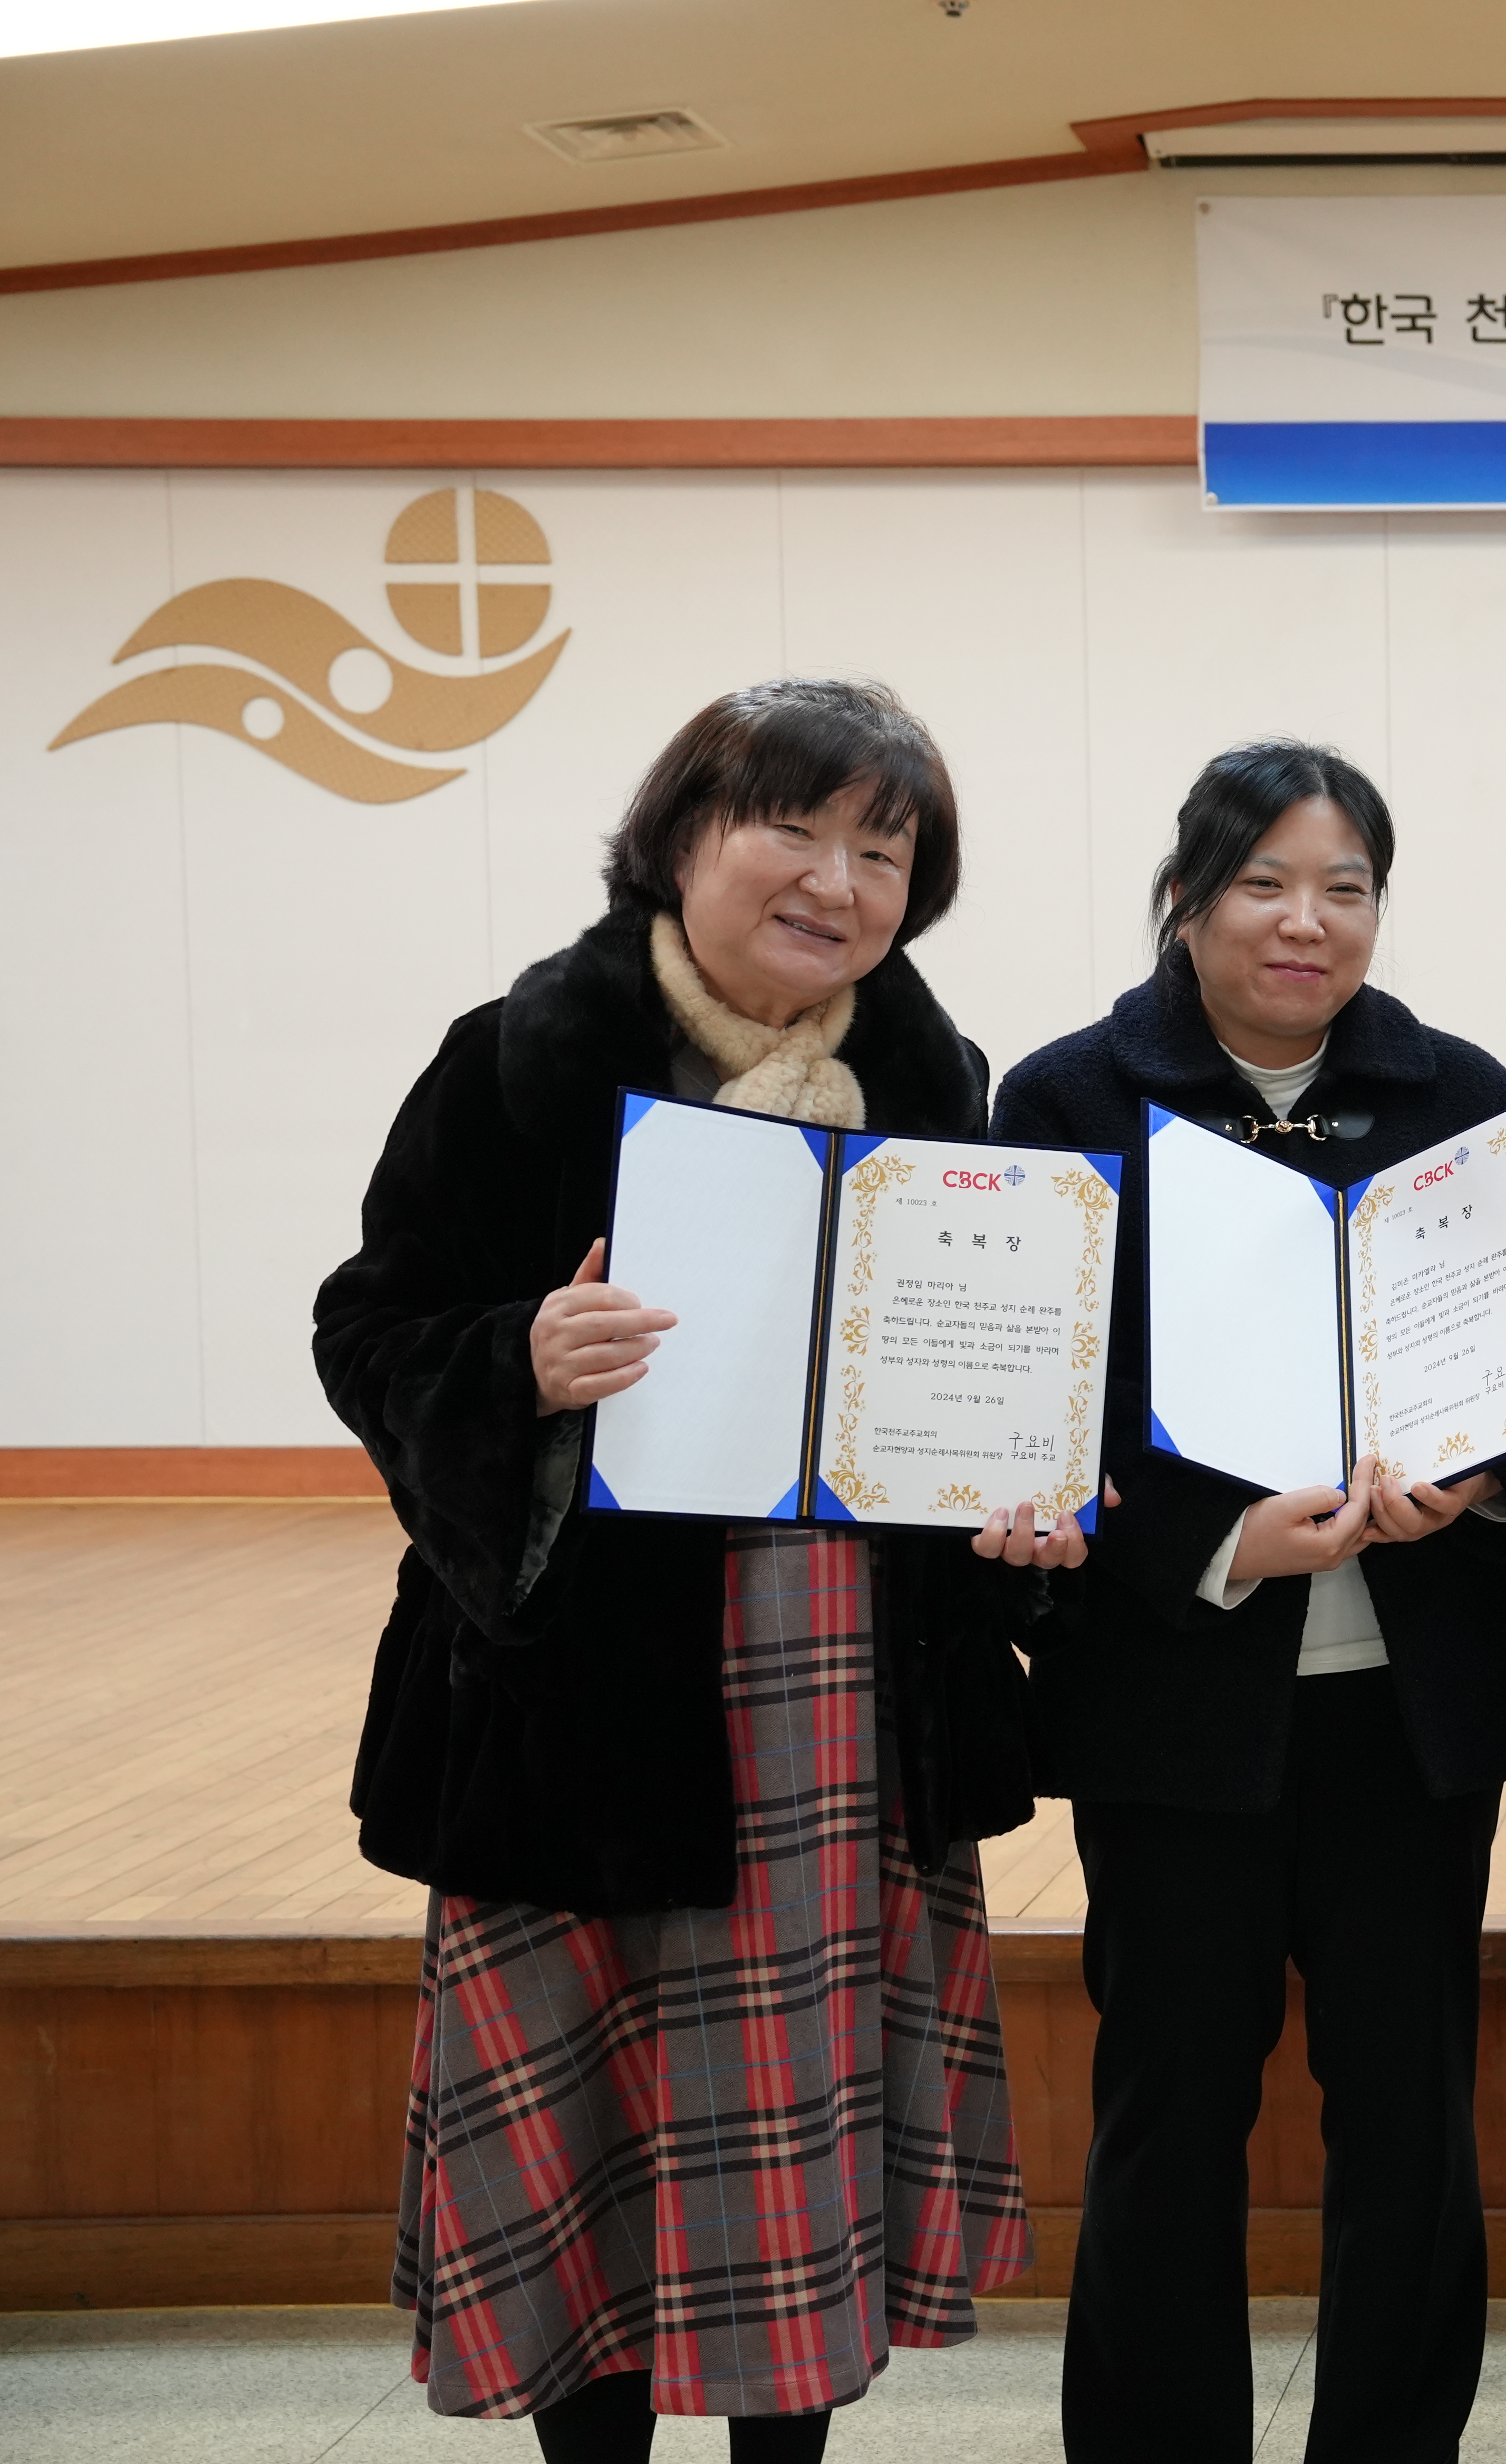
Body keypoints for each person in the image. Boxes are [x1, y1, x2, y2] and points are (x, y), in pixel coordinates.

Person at [313, 679, 1078, 2460]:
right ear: (681, 840)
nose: (835, 880)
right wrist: (515, 1355)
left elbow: (975, 1374)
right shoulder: (521, 1058)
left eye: (881, 850)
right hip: (585, 1694)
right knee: (587, 2129)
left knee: (790, 2129)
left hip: (837, 1685)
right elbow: (373, 1326)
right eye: (791, 830)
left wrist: (1017, 1522)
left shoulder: (931, 1079)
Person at [990, 740, 1506, 2463]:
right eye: (1265, 884)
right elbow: (1046, 1393)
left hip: (1415, 1697)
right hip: (1178, 1696)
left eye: (1347, 888)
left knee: (1411, 2115)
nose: (1307, 923)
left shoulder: (1460, 1092)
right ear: (1186, 901)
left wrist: (1485, 1480)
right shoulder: (1071, 1098)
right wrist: (1230, 1538)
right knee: (1174, 2105)